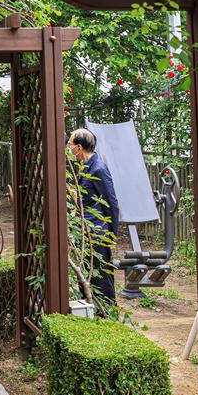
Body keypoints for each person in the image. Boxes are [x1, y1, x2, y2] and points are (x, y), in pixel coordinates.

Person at [67, 128, 121, 309]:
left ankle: (107, 315)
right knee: (87, 278)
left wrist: (112, 234)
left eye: (71, 144)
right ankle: (92, 312)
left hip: (97, 234)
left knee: (102, 280)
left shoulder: (98, 169)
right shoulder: (84, 167)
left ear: (79, 148)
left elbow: (111, 204)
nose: (69, 147)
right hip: (85, 232)